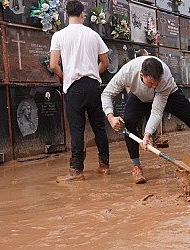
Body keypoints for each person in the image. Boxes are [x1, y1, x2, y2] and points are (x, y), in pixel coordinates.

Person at [101, 56, 190, 184]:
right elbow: (107, 94)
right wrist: (110, 117)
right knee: (129, 122)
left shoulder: (164, 79)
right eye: (150, 82)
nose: (153, 86)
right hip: (139, 96)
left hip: (170, 95)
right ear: (141, 75)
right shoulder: (127, 72)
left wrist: (147, 134)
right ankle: (136, 167)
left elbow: (157, 111)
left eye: (156, 83)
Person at [50, 0, 110, 182]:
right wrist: (93, 72)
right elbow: (105, 63)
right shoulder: (93, 35)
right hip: (93, 86)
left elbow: (53, 65)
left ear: (66, 15)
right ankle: (104, 166)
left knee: (77, 128)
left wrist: (66, 76)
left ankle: (77, 171)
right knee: (99, 126)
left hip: (74, 87)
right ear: (83, 14)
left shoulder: (59, 36)